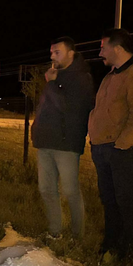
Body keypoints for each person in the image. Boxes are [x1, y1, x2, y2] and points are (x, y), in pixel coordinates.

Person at [88, 28, 133, 263]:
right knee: (108, 200)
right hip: (103, 147)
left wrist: (122, 145)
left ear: (117, 48)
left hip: (124, 150)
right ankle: (111, 243)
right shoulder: (111, 76)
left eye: (102, 47)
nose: (100, 53)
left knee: (125, 202)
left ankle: (128, 253)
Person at [30, 37, 95, 239]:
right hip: (46, 142)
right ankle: (55, 232)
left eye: (57, 52)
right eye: (51, 52)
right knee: (46, 189)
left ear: (71, 54)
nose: (52, 55)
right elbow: (47, 107)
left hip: (66, 144)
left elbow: (67, 108)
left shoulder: (81, 78)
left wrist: (51, 84)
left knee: (70, 191)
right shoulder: (57, 76)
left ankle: (77, 237)